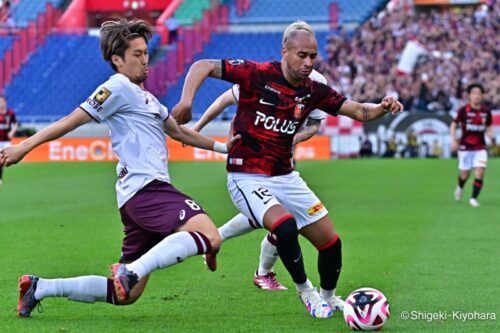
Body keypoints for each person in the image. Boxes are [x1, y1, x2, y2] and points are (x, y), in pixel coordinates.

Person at [0, 19, 239, 318]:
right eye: (136, 54)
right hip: (147, 190)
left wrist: (223, 148)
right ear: (117, 60)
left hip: (138, 197)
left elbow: (178, 133)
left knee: (124, 294)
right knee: (210, 234)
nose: (145, 60)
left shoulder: (147, 97)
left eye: (145, 52)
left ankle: (40, 287)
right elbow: (70, 121)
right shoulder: (116, 88)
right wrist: (24, 146)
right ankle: (133, 269)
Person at [171, 21, 403, 318]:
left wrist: (383, 106)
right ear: (285, 52)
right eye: (302, 55)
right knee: (285, 226)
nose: (308, 63)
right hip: (246, 175)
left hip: (285, 176)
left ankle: (329, 298)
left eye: (313, 57)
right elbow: (202, 65)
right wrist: (187, 102)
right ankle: (306, 291)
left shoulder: (314, 90)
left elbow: (359, 111)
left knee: (331, 242)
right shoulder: (256, 74)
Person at [191, 69, 328, 291]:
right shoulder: (266, 76)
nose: (304, 61)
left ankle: (216, 239)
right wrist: (197, 128)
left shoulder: (318, 83)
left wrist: (290, 137)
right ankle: (263, 273)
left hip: (283, 162)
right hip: (250, 159)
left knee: (274, 215)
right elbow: (224, 101)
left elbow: (313, 126)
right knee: (281, 219)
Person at [451, 83, 492, 207]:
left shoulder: (486, 111)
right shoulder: (464, 110)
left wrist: (490, 135)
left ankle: (473, 198)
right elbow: (453, 125)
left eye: (479, 93)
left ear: (482, 96)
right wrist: (453, 140)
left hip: (480, 147)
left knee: (480, 171)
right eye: (474, 93)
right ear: (469, 96)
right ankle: (460, 186)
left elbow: (489, 125)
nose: (476, 96)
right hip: (465, 147)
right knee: (465, 174)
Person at [0, 95, 18, 186]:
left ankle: (0, 177)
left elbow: (16, 124)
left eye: (2, 101)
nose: (1, 103)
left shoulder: (10, 113)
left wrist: (12, 131)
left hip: (6, 141)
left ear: (5, 102)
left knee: (3, 160)